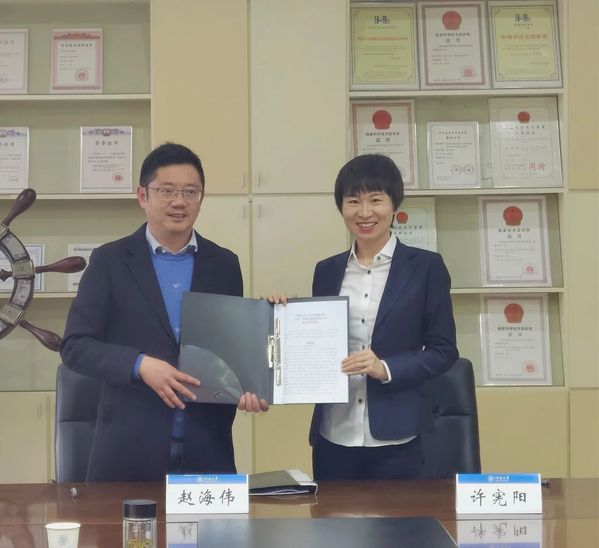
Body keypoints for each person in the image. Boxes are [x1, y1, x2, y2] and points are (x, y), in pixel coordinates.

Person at [60, 143, 266, 482]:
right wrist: (140, 364)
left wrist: (252, 385)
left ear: (201, 198)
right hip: (128, 451)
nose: (179, 201)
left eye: (190, 192)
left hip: (207, 448)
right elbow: (75, 346)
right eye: (166, 190)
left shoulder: (224, 264)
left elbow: (231, 350)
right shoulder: (110, 261)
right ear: (142, 195)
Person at [270, 154, 458, 480]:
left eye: (376, 200)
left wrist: (385, 368)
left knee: (399, 517)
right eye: (353, 201)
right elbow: (317, 343)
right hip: (334, 434)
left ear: (394, 205)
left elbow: (444, 350)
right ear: (341, 207)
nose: (365, 212)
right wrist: (280, 317)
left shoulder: (426, 267)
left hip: (398, 437)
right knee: (333, 516)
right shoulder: (327, 270)